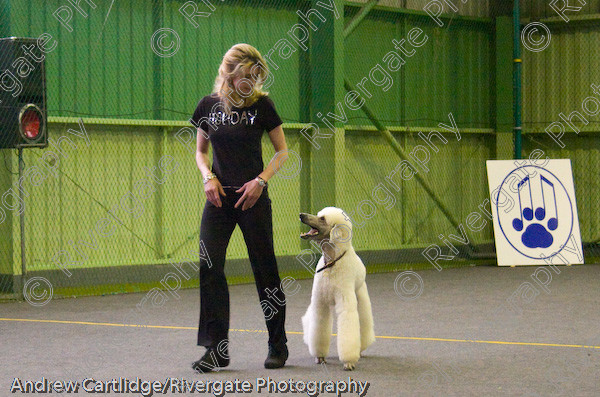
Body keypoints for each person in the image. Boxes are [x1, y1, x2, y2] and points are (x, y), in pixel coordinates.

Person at [190, 43, 289, 372]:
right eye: (245, 74)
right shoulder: (208, 106)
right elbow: (201, 153)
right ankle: (216, 349)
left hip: (253, 198)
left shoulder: (263, 106)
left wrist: (260, 181)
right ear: (230, 73)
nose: (250, 81)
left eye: (255, 75)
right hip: (219, 199)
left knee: (265, 269)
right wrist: (207, 178)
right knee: (209, 265)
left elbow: (282, 152)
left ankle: (278, 344)